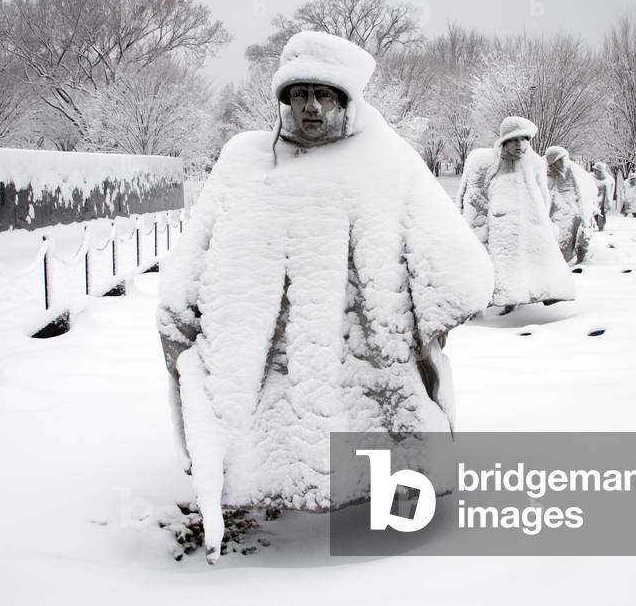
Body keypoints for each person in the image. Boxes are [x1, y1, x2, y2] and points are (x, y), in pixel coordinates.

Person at [156, 32, 493, 563]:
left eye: (325, 95)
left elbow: (447, 249)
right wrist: (180, 304)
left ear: (345, 101)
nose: (311, 106)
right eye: (300, 93)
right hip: (268, 345)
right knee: (267, 429)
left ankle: (396, 516)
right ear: (285, 100)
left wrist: (438, 305)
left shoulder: (385, 158)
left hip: (362, 344)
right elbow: (198, 243)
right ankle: (254, 504)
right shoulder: (244, 161)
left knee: (377, 422)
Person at [456, 116, 575, 313]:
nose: (520, 144)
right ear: (504, 141)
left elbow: (543, 196)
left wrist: (544, 223)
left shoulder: (535, 162)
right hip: (501, 224)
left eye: (525, 139)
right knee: (502, 270)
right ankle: (501, 309)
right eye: (515, 139)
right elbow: (472, 194)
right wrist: (479, 220)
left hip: (530, 223)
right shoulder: (486, 161)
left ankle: (537, 297)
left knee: (535, 268)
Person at [545, 146, 597, 263]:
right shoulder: (543, 173)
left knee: (570, 237)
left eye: (563, 159)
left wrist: (583, 214)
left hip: (570, 210)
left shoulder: (571, 172)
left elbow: (579, 193)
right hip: (552, 212)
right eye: (559, 160)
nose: (563, 163)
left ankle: (571, 259)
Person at [591, 162, 615, 231]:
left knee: (600, 214)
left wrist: (607, 202)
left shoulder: (608, 179)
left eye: (596, 170)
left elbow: (610, 191)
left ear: (600, 171)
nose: (595, 171)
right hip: (593, 199)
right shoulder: (591, 177)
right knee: (592, 213)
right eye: (594, 170)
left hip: (602, 200)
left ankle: (601, 227)